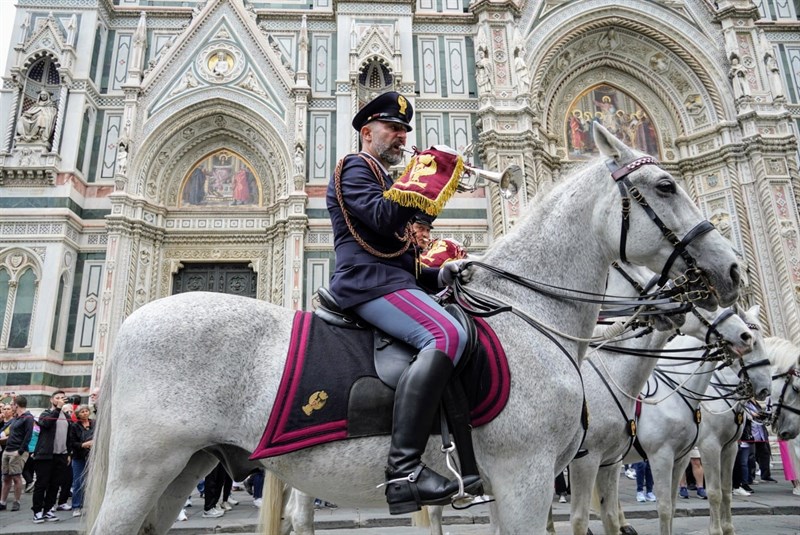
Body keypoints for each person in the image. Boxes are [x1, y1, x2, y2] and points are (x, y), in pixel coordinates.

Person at [326, 91, 479, 514]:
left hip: (391, 281)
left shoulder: (387, 179)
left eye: (404, 130)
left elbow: (402, 257)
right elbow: (378, 217)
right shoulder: (355, 167)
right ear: (367, 131)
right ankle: (403, 469)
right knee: (445, 335)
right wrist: (422, 175)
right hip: (365, 284)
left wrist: (441, 272)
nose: (400, 136)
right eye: (393, 128)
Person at [31, 390, 71, 523]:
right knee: (41, 484)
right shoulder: (46, 414)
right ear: (52, 400)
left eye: (62, 398)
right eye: (57, 398)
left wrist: (68, 453)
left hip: (61, 455)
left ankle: (48, 509)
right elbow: (47, 424)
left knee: (55, 485)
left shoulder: (66, 416)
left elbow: (69, 436)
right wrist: (58, 408)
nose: (60, 400)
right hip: (45, 455)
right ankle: (37, 511)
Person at [0, 396, 34, 512]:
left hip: (17, 451)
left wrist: (20, 451)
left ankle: (16, 501)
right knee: (6, 477)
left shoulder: (28, 417)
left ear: (16, 405)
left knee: (16, 476)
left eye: (12, 405)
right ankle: (2, 501)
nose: (10, 407)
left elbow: (28, 435)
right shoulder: (15, 418)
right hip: (8, 450)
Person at [67, 405, 94, 517]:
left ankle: (88, 505)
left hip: (93, 456)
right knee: (78, 481)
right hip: (79, 456)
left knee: (90, 482)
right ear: (78, 414)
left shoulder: (95, 423)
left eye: (86, 411)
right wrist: (83, 445)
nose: (85, 413)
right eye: (82, 412)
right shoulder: (74, 426)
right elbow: (71, 443)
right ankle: (77, 506)